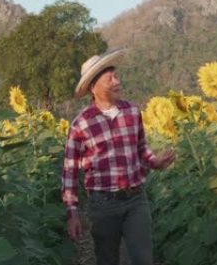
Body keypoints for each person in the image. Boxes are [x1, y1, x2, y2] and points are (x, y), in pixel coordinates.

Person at [61, 48, 176, 265]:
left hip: (135, 198)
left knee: (142, 259)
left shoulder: (132, 111)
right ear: (93, 87)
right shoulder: (81, 124)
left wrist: (156, 162)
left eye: (116, 76)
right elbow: (70, 170)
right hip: (102, 204)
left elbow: (141, 148)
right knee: (108, 259)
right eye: (110, 78)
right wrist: (72, 212)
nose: (117, 81)